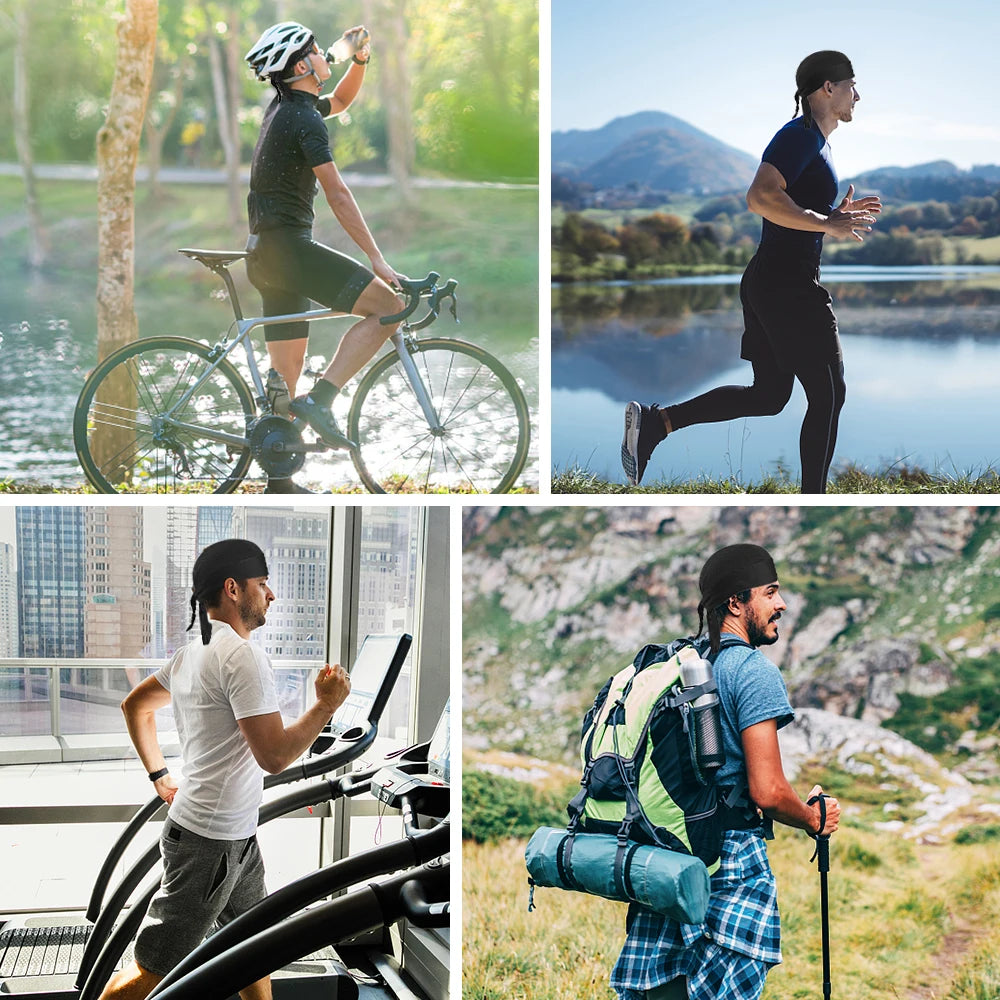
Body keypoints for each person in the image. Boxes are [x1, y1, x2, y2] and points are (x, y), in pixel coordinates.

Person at [98, 539, 351, 1000]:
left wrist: (160, 777)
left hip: (233, 837)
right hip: (210, 844)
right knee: (151, 972)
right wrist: (326, 706)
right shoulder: (242, 656)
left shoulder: (193, 652)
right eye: (262, 583)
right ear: (233, 589)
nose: (271, 594)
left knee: (255, 949)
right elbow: (273, 756)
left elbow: (135, 707)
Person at [621, 51, 882, 494]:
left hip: (770, 281)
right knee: (829, 395)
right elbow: (760, 197)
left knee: (769, 397)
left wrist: (828, 216)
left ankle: (656, 424)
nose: (858, 95)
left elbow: (789, 205)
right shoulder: (798, 137)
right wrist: (824, 223)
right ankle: (812, 499)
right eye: (852, 85)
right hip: (787, 286)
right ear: (828, 88)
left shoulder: (816, 142)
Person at [610, 543, 841, 1000]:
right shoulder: (751, 669)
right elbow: (769, 791)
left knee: (662, 989)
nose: (782, 604)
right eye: (770, 592)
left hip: (669, 852)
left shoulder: (686, 667)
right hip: (731, 862)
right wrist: (815, 818)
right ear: (736, 603)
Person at [244, 21, 406, 493]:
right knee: (390, 307)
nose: (322, 54)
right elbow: (336, 192)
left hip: (266, 254)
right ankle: (324, 398)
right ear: (301, 64)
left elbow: (342, 102)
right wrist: (376, 258)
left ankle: (280, 475)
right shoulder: (302, 118)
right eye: (316, 50)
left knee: (284, 381)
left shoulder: (286, 108)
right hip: (290, 252)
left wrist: (357, 60)